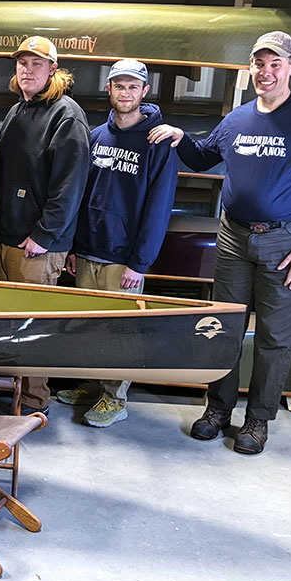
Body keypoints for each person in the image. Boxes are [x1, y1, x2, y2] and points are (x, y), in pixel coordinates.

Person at [147, 31, 291, 454]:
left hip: (285, 243)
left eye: (276, 63)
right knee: (225, 327)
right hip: (234, 238)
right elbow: (203, 157)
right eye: (259, 63)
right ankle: (218, 409)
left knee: (275, 337)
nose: (266, 72)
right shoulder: (237, 120)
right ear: (250, 67)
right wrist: (180, 138)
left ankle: (258, 420)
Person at [56, 59, 178, 427]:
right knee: (91, 325)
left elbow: (158, 207)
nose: (125, 93)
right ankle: (93, 385)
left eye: (132, 87)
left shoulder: (158, 142)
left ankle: (115, 397)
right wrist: (74, 246)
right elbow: (81, 195)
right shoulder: (96, 137)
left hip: (124, 257)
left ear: (144, 91)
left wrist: (140, 262)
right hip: (90, 248)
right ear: (109, 89)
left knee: (121, 330)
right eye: (118, 86)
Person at [0, 36, 91, 417]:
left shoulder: (67, 116)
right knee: (5, 324)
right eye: (21, 63)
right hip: (4, 237)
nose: (27, 70)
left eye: (36, 63)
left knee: (30, 327)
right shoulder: (19, 110)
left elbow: (70, 185)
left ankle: (32, 404)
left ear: (53, 69)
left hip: (36, 245)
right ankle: (10, 393)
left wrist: (43, 236)